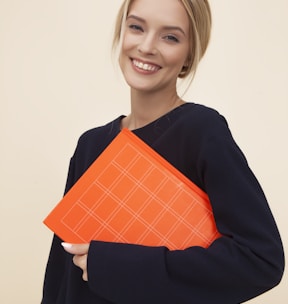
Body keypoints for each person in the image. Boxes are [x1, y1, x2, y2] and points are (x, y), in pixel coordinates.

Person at [41, 0, 284, 303]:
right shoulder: (90, 145)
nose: (146, 46)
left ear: (189, 55)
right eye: (136, 27)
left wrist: (114, 266)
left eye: (170, 37)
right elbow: (60, 277)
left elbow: (260, 260)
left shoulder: (201, 131)